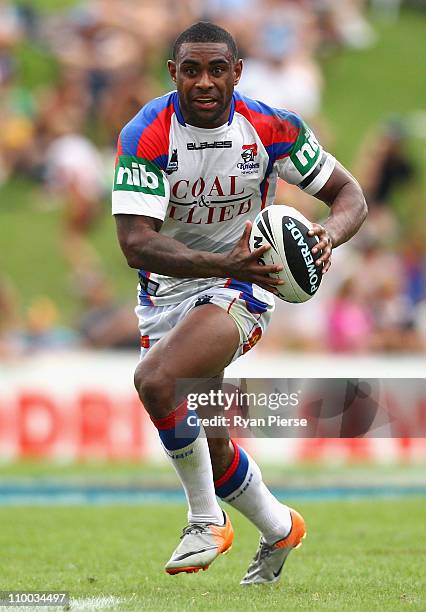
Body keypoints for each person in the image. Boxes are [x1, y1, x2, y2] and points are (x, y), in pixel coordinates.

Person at [113, 22, 367, 585]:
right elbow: (135, 244)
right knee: (218, 452)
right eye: (192, 70)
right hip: (170, 290)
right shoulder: (147, 133)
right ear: (173, 73)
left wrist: (328, 234)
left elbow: (349, 195)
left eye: (217, 69)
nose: (205, 82)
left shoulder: (272, 126)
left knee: (155, 381)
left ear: (237, 73)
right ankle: (281, 528)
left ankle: (204, 520)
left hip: (247, 283)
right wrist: (220, 263)